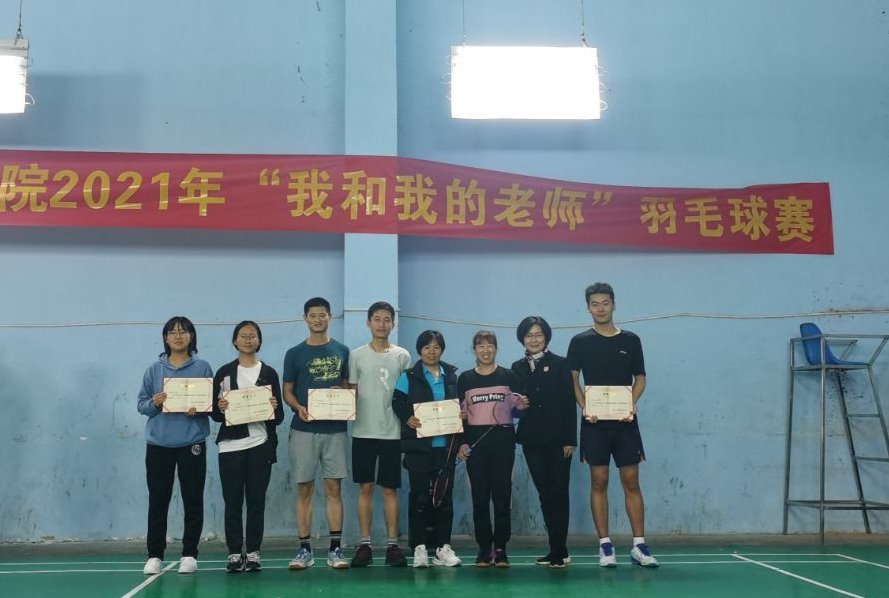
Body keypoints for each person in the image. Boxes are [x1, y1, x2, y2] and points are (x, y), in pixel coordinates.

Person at [567, 282, 658, 568]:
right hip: (594, 425)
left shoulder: (631, 340)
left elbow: (640, 378)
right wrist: (586, 407)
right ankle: (605, 546)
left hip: (625, 423)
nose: (600, 308)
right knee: (599, 481)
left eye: (605, 303)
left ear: (614, 304)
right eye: (595, 304)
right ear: (588, 308)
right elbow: (573, 381)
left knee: (631, 481)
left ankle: (639, 545)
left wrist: (630, 402)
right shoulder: (579, 342)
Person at [137, 316, 213, 575]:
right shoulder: (153, 370)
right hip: (159, 444)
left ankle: (189, 554)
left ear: (192, 336)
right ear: (165, 338)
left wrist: (200, 409)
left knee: (193, 499)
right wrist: (155, 403)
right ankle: (154, 555)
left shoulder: (203, 367)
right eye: (172, 332)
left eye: (183, 331)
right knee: (158, 500)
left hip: (192, 443)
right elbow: (141, 405)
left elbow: (212, 406)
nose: (178, 336)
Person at [283, 297, 351, 570]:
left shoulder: (342, 351)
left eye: (322, 315)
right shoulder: (294, 353)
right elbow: (287, 391)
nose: (318, 320)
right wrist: (298, 407)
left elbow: (348, 387)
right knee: (304, 489)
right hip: (303, 430)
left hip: (335, 430)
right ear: (305, 319)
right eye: (312, 315)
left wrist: (343, 393)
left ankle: (335, 549)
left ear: (329, 317)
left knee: (334, 488)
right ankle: (304, 550)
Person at [211, 321, 284, 573]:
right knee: (232, 502)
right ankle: (234, 553)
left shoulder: (269, 373)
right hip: (230, 446)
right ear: (235, 341)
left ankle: (253, 552)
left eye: (253, 336)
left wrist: (273, 407)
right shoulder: (224, 373)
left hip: (260, 444)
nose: (248, 339)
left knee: (256, 501)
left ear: (259, 341)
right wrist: (220, 408)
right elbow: (214, 414)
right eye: (243, 336)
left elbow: (279, 417)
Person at [348, 301, 412, 567]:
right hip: (363, 432)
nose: (382, 324)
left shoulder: (403, 356)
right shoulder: (356, 356)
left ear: (393, 324)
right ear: (368, 322)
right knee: (365, 488)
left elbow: (407, 396)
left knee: (390, 490)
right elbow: (351, 392)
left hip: (392, 432)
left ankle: (392, 545)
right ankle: (364, 545)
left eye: (387, 319)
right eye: (377, 319)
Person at [457, 331, 528, 568]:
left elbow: (518, 411)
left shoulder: (509, 376)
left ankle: (501, 549)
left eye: (490, 346)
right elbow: (460, 415)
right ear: (474, 350)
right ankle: (484, 549)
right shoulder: (465, 379)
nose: (485, 350)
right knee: (479, 499)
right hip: (475, 448)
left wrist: (522, 407)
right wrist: (462, 442)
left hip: (503, 445)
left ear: (496, 349)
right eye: (481, 346)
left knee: (501, 497)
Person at [392, 330, 463, 569]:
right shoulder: (409, 375)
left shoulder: (451, 376)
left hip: (446, 448)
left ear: (442, 350)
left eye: (436, 347)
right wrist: (408, 417)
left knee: (445, 499)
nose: (431, 352)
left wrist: (461, 414)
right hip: (419, 448)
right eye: (426, 347)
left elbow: (459, 405)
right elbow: (396, 402)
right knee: (419, 498)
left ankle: (443, 548)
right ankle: (419, 548)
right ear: (419, 350)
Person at [511, 316, 577, 569]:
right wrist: (519, 407)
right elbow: (513, 407)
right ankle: (556, 548)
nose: (534, 339)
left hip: (559, 439)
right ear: (522, 339)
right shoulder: (517, 367)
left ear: (546, 337)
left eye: (538, 334)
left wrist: (570, 439)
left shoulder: (561, 364)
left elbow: (568, 403)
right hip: (531, 439)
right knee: (545, 494)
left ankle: (559, 551)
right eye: (529, 335)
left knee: (559, 492)